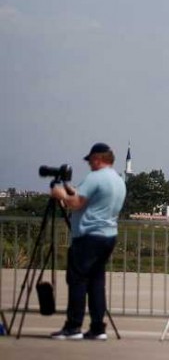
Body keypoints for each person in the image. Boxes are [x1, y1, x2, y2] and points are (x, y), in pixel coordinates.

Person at [49, 142, 127, 341]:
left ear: (97, 159)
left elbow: (76, 204)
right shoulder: (118, 180)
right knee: (96, 282)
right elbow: (91, 200)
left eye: (91, 161)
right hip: (108, 235)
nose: (89, 165)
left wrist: (60, 194)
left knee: (77, 280)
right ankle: (98, 327)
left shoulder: (95, 177)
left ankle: (73, 326)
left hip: (89, 235)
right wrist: (71, 190)